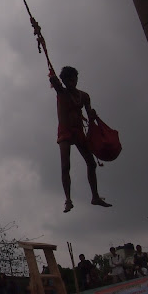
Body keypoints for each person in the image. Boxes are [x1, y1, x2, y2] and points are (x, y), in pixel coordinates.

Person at [49, 66, 111, 213]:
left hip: (78, 132)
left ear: (76, 79)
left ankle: (95, 196)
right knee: (65, 166)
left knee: (91, 163)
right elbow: (55, 83)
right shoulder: (62, 92)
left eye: (73, 79)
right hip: (65, 131)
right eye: (67, 80)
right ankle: (68, 199)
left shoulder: (84, 96)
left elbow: (89, 115)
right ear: (64, 81)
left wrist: (92, 115)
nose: (71, 82)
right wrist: (53, 78)